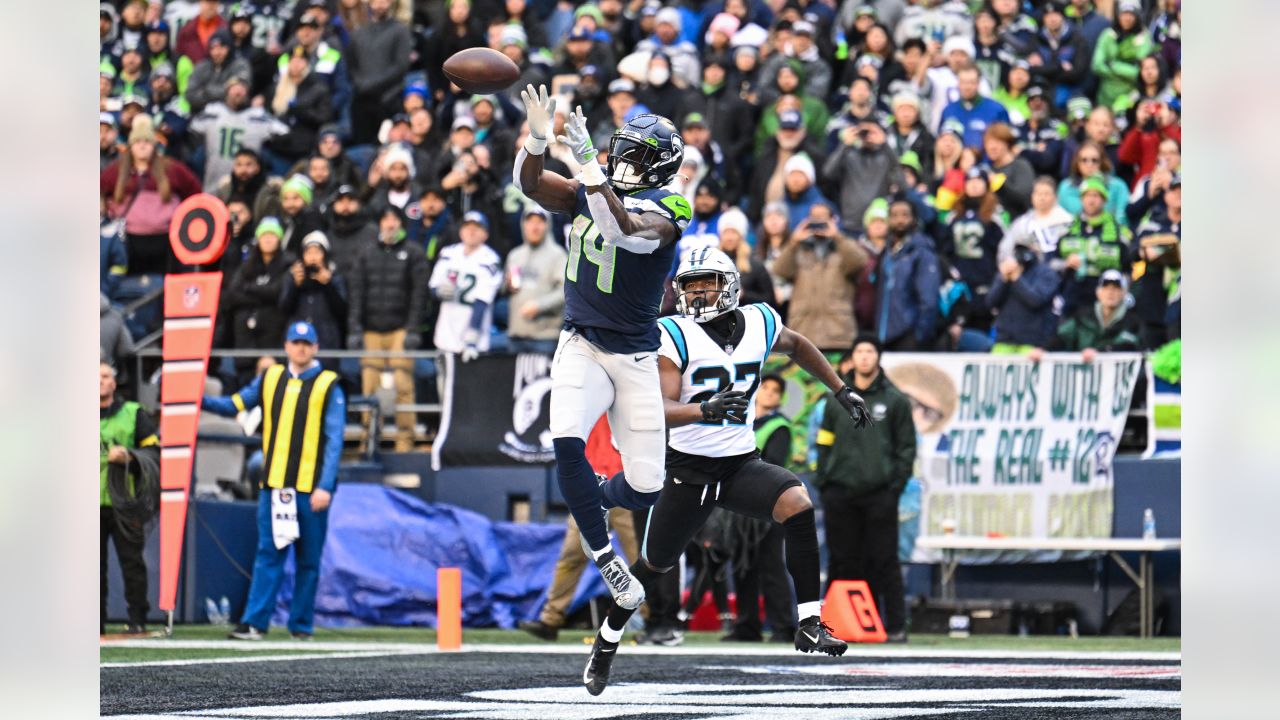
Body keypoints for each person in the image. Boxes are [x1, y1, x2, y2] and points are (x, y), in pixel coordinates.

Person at [582, 248, 872, 694]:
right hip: (688, 472)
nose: (697, 293)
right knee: (652, 567)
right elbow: (657, 408)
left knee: (797, 504)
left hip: (739, 464)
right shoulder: (674, 333)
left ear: (731, 285)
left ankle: (810, 622)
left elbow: (797, 345)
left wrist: (840, 389)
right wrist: (704, 410)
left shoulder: (759, 320)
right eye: (690, 284)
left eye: (706, 283)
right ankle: (606, 642)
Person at [514, 84, 691, 613]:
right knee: (564, 439)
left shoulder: (671, 205)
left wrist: (589, 165)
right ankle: (608, 562)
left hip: (635, 355)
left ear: (661, 166)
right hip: (582, 342)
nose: (621, 163)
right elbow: (530, 185)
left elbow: (621, 232)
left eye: (635, 157)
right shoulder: (589, 188)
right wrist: (538, 141)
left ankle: (592, 493)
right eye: (621, 152)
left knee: (644, 487)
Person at [204, 322, 346, 640]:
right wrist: (196, 399)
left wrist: (325, 485)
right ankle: (255, 622)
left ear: (316, 348)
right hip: (276, 486)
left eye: (306, 343)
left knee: (308, 559)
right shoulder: (270, 378)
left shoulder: (327, 384)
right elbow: (235, 404)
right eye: (296, 342)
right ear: (285, 346)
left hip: (310, 488)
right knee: (269, 553)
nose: (301, 348)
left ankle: (301, 626)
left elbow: (335, 440)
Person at [815, 335, 913, 642]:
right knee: (841, 560)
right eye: (859, 351)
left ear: (878, 358)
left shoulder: (895, 400)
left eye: (870, 351)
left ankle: (895, 625)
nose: (865, 357)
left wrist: (894, 488)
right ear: (852, 358)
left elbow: (906, 449)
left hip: (880, 494)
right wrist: (825, 480)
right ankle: (831, 626)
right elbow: (824, 443)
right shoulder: (835, 400)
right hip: (840, 493)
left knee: (884, 560)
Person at [723, 373, 798, 643]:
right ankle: (747, 625)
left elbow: (773, 463)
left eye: (775, 390)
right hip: (741, 504)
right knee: (742, 565)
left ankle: (783, 626)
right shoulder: (740, 422)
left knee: (771, 565)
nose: (769, 393)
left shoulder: (779, 427)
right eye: (764, 387)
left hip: (769, 504)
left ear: (779, 398)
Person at [347, 206, 429, 453]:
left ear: (401, 224)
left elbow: (419, 294)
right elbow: (356, 293)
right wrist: (355, 329)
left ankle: (406, 440)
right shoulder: (366, 253)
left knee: (403, 386)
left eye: (394, 219)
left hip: (400, 329)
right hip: (371, 329)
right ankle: (368, 440)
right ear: (380, 224)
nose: (390, 224)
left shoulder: (413, 253)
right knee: (369, 388)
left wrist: (413, 329)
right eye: (386, 219)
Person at [99, 116, 202, 276]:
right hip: (127, 240)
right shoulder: (117, 170)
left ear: (154, 145)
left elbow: (195, 192)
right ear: (131, 145)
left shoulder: (171, 168)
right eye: (138, 141)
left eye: (147, 141)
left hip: (165, 239)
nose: (142, 145)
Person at [100, 360, 159, 635]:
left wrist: (129, 457)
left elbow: (154, 455)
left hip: (125, 501)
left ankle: (138, 620)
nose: (100, 381)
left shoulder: (133, 413)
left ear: (114, 382)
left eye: (104, 376)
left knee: (132, 563)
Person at [772, 203, 870, 352]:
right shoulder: (798, 249)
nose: (818, 221)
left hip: (839, 334)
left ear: (833, 220)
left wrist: (837, 236)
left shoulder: (843, 248)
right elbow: (780, 270)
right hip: (803, 333)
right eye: (814, 217)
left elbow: (860, 262)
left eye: (823, 217)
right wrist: (793, 242)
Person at [226, 217, 293, 386]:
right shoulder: (247, 265)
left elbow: (278, 292)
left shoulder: (287, 263)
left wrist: (250, 288)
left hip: (273, 338)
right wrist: (263, 295)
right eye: (264, 235)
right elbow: (233, 293)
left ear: (279, 238)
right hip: (246, 341)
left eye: (272, 235)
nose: (268, 239)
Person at [189, 77, 289, 190]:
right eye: (234, 88)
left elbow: (284, 132)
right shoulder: (213, 111)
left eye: (242, 89)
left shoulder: (257, 115)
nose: (238, 92)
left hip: (246, 184)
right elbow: (192, 128)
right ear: (227, 92)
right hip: (214, 178)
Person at [428, 211, 503, 362]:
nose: (472, 231)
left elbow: (482, 301)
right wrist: (438, 291)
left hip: (474, 338)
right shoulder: (448, 253)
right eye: (468, 227)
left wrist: (472, 336)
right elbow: (432, 287)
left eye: (477, 227)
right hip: (445, 333)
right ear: (461, 230)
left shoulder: (490, 260)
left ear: (485, 234)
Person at [1057, 175, 1132, 314]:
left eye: (1096, 195)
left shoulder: (1118, 232)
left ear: (1104, 200)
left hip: (1105, 299)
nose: (1091, 200)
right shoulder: (1066, 229)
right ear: (1081, 199)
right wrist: (1065, 264)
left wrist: (1124, 293)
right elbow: (1050, 262)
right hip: (1072, 295)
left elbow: (1129, 268)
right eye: (1087, 196)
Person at [874, 198, 941, 351]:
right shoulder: (886, 253)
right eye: (894, 215)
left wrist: (919, 335)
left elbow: (929, 299)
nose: (899, 220)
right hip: (883, 334)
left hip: (908, 336)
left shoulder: (921, 251)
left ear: (913, 219)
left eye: (905, 215)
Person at [346, 0, 413, 145]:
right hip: (362, 101)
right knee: (361, 147)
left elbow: (400, 66)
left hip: (389, 99)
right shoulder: (359, 32)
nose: (380, 4)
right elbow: (351, 65)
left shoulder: (400, 30)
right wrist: (360, 83)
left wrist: (372, 84)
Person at [504, 205, 568, 355]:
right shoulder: (515, 255)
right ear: (523, 225)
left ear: (548, 225)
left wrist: (539, 306)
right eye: (530, 221)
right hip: (515, 335)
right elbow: (504, 289)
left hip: (544, 337)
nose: (535, 226)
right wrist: (506, 285)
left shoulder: (558, 255)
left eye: (540, 222)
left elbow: (565, 291)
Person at [822, 118, 901, 236]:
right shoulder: (849, 155)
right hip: (849, 224)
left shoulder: (885, 157)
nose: (867, 135)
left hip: (878, 224)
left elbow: (901, 182)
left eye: (871, 132)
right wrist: (844, 145)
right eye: (863, 131)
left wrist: (885, 144)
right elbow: (828, 173)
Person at [280, 231, 349, 363]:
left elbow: (342, 311)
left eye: (317, 252)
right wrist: (296, 286)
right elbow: (284, 309)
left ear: (325, 255)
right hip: (298, 342)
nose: (313, 258)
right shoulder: (293, 277)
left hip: (326, 344)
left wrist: (328, 285)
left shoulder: (336, 278)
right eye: (308, 253)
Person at [988, 235, 1062, 355]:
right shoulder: (1008, 270)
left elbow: (1035, 300)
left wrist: (1016, 279)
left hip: (1032, 343)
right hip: (1003, 340)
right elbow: (990, 302)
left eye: (1028, 248)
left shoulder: (1047, 273)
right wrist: (1003, 280)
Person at [1046, 269, 1141, 359]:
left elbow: (1127, 344)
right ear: (1098, 292)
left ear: (1123, 293)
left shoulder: (1132, 321)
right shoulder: (1082, 316)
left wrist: (1099, 353)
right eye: (1106, 288)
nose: (1110, 293)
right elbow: (1062, 337)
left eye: (1116, 289)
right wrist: (1044, 350)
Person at [938, 64, 1009, 149]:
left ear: (978, 83)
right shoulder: (948, 111)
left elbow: (1007, 143)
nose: (967, 87)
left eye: (972, 82)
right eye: (963, 82)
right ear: (958, 83)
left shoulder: (997, 110)